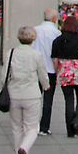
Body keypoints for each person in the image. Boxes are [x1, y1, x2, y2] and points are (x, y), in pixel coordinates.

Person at [5, 26, 50, 154]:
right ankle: (24, 149)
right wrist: (46, 85)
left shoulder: (11, 53)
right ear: (33, 38)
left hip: (14, 94)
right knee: (32, 127)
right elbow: (42, 72)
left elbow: (4, 75)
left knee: (16, 127)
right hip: (31, 94)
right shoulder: (36, 54)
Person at [51, 16, 78, 138]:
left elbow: (55, 60)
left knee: (68, 101)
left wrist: (56, 73)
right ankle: (77, 121)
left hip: (64, 75)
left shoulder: (57, 40)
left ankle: (70, 131)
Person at [32, 8, 61, 136]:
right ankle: (44, 126)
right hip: (50, 69)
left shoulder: (35, 30)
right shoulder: (56, 33)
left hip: (36, 69)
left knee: (34, 98)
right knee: (48, 100)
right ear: (54, 18)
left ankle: (32, 124)